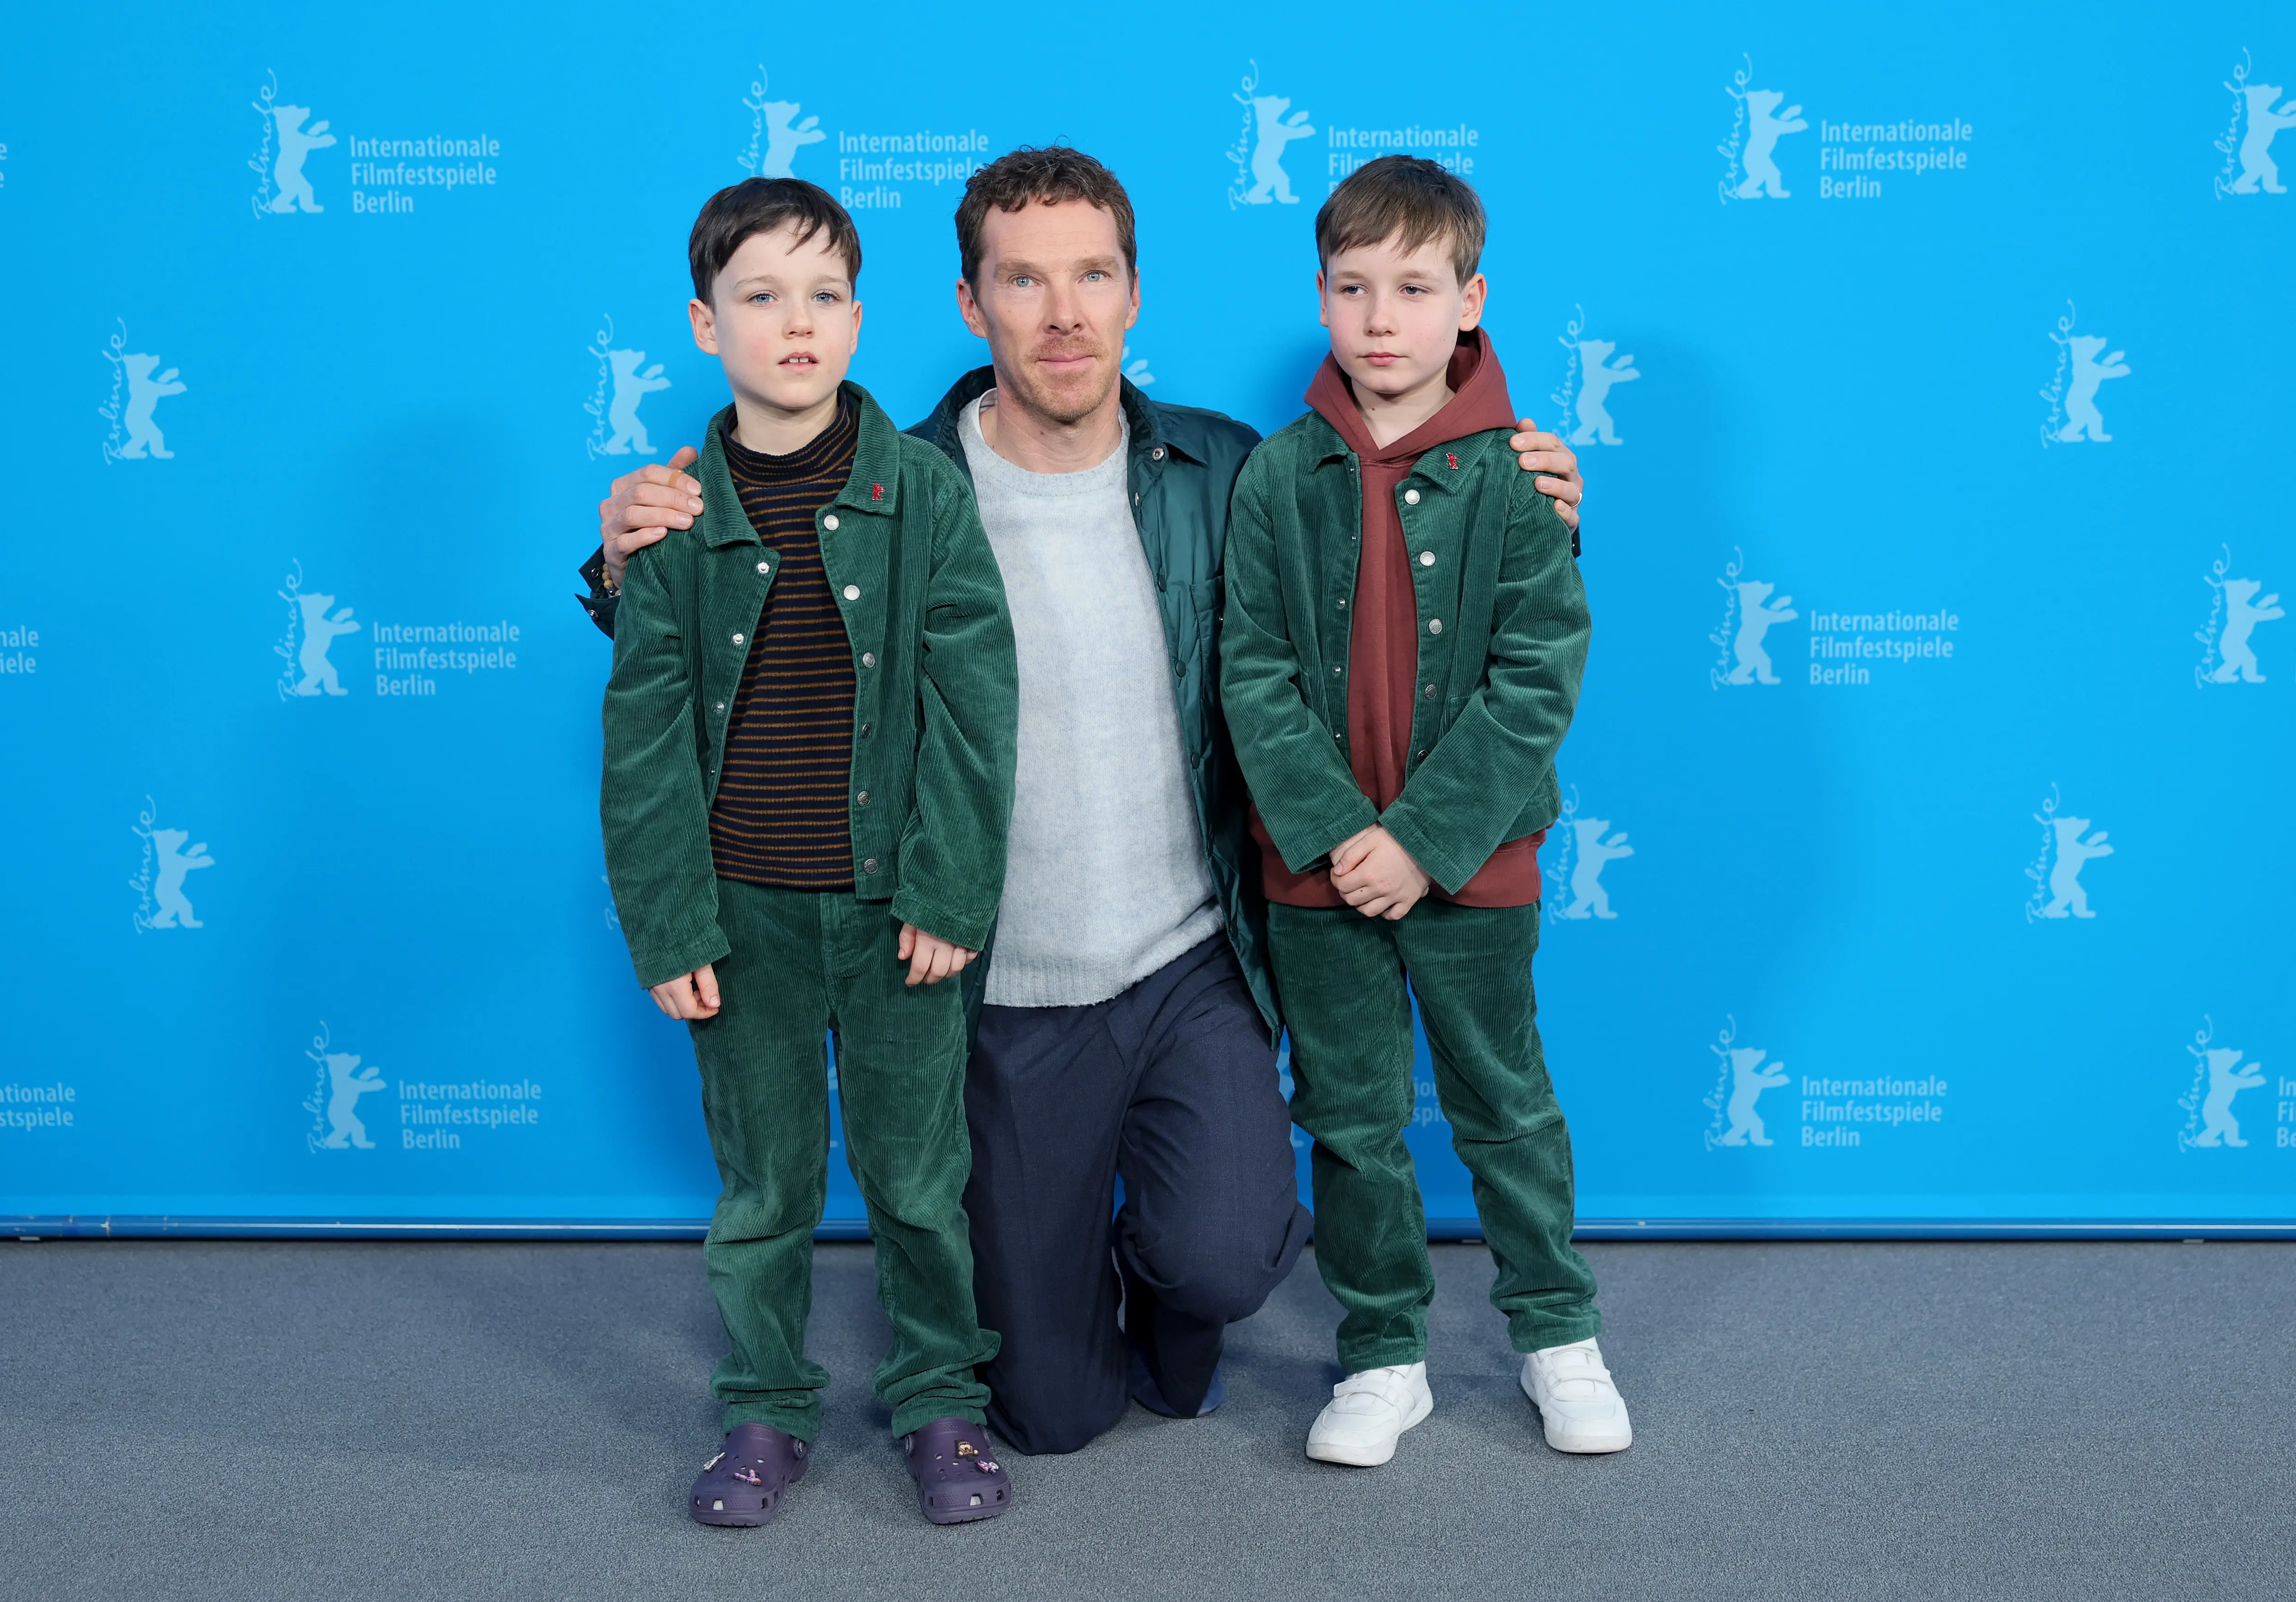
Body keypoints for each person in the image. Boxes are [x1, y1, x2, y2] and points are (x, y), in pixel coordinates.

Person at [582, 147, 1588, 1456]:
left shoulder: (1231, 471)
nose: (1061, 313)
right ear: (966, 305)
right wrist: (616, 562)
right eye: (1023, 279)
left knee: (1223, 1258)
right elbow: (738, 635)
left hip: (1183, 962)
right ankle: (1067, 1263)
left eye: (1091, 276)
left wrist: (1537, 505)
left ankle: (1178, 1248)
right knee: (1048, 1411)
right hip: (990, 980)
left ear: (1130, 296)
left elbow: (1389, 568)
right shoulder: (894, 483)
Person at [600, 175, 1021, 1527]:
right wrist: (670, 923)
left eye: (825, 295)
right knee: (764, 1185)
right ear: (704, 324)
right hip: (744, 920)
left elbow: (976, 708)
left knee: (915, 1178)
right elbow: (645, 737)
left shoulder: (927, 496)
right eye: (760, 297)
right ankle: (764, 1407)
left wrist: (952, 887)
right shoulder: (669, 519)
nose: (796, 323)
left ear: (858, 318)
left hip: (900, 911)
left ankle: (940, 1398)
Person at [1221, 155, 1630, 1467]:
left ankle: (1556, 1336)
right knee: (1346, 1115)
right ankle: (1382, 1350)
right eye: (1351, 288)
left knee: (1502, 1099)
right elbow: (1252, 669)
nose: (1380, 316)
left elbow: (1536, 676)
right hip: (1317, 873)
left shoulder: (1520, 477)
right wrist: (1342, 834)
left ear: (1470, 300)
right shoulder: (1279, 476)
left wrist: (1426, 840)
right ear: (1321, 299)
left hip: (1475, 865)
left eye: (1413, 286)